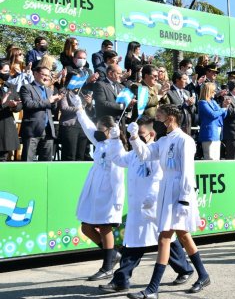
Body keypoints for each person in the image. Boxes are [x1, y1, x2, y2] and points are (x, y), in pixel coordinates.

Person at [98, 116, 194, 293]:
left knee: (163, 241)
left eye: (141, 134)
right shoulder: (135, 153)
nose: (138, 137)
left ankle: (184, 269)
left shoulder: (157, 153)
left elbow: (160, 177)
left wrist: (152, 197)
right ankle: (122, 279)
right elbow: (118, 159)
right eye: (136, 134)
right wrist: (114, 139)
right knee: (137, 243)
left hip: (154, 206)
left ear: (152, 134)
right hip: (137, 208)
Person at [127, 104, 211, 297]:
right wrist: (133, 138)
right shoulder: (164, 141)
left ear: (171, 118)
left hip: (179, 191)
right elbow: (146, 154)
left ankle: (152, 289)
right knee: (182, 235)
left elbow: (188, 172)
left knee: (165, 237)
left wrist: (184, 200)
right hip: (166, 188)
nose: (157, 120)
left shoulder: (185, 140)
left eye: (160, 116)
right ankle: (203, 275)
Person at [70, 94, 125, 281]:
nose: (99, 132)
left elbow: (118, 176)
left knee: (104, 226)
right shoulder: (100, 143)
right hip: (94, 189)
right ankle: (113, 254)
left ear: (111, 130)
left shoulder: (116, 148)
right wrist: (79, 109)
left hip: (108, 192)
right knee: (86, 226)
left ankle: (107, 266)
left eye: (103, 129)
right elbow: (88, 127)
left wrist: (118, 201)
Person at [19, 66, 63, 161]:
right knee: (28, 160)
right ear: (35, 74)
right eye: (44, 74)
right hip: (32, 130)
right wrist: (49, 101)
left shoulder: (49, 90)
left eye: (48, 76)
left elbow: (52, 108)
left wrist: (55, 101)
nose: (46, 78)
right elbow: (28, 104)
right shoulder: (26, 88)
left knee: (46, 162)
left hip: (48, 130)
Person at [197, 82, 230, 160]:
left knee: (216, 157)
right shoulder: (202, 102)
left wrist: (225, 106)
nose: (215, 92)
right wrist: (223, 109)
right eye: (214, 90)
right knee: (209, 157)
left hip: (217, 131)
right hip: (209, 133)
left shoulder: (213, 102)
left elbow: (222, 116)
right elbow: (212, 115)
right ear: (209, 91)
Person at [0, 60, 22, 161]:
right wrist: (5, 104)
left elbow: (19, 104)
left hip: (6, 128)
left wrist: (14, 106)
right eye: (5, 71)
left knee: (3, 159)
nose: (7, 74)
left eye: (8, 71)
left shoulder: (10, 86)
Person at [162, 71, 196, 136]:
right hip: (174, 126)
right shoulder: (169, 92)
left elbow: (193, 110)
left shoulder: (187, 92)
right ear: (177, 80)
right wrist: (185, 104)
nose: (186, 82)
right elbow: (169, 109)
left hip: (186, 125)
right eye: (184, 79)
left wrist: (191, 105)